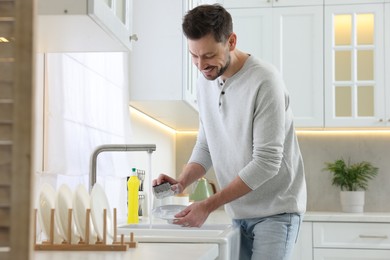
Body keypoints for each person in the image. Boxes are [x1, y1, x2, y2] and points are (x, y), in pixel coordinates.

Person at [153, 4, 306, 260]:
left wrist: (209, 205)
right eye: (194, 55)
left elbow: (267, 163)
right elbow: (206, 144)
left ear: (231, 41)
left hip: (276, 211)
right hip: (239, 214)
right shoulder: (206, 80)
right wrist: (181, 182)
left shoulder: (265, 81)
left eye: (209, 55)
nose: (201, 65)